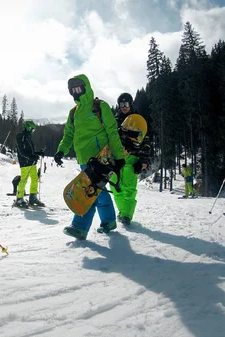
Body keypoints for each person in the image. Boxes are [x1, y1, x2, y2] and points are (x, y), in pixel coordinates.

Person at [54, 74, 125, 240]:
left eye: (79, 88)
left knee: (88, 191)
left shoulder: (100, 107)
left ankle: (79, 227)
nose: (76, 92)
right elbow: (68, 135)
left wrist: (119, 156)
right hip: (84, 160)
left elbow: (112, 132)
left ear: (86, 87)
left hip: (100, 158)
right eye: (73, 90)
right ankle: (109, 221)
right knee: (98, 191)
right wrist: (61, 151)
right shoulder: (73, 113)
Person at [109, 93, 152, 226]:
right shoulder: (114, 121)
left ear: (131, 104)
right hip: (116, 158)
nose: (124, 107)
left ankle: (126, 215)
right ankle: (122, 212)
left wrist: (143, 161)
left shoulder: (138, 121)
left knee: (129, 187)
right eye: (121, 104)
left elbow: (146, 142)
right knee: (115, 187)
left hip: (133, 157)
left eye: (126, 104)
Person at [14, 120, 45, 208]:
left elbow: (30, 151)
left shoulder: (27, 136)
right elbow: (21, 151)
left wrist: (38, 153)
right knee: (24, 180)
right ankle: (19, 198)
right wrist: (31, 157)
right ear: (28, 127)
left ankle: (33, 197)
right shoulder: (21, 137)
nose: (32, 131)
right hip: (25, 162)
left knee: (35, 179)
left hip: (31, 162)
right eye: (32, 129)